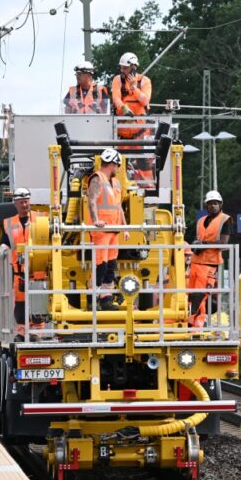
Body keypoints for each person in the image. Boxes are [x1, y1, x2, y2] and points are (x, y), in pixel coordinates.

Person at [86, 148, 129, 311]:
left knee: (111, 266)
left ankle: (106, 299)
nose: (119, 169)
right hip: (101, 231)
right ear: (112, 164)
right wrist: (96, 220)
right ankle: (93, 299)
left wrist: (124, 228)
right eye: (118, 166)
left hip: (114, 230)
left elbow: (119, 207)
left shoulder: (116, 183)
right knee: (101, 266)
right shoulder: (97, 179)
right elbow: (92, 200)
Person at [0, 188, 43, 340]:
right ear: (15, 204)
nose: (24, 205)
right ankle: (22, 332)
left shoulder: (40, 218)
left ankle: (36, 332)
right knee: (20, 305)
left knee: (38, 303)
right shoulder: (9, 223)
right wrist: (3, 248)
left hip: (38, 271)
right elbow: (5, 241)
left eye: (26, 201)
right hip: (19, 272)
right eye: (21, 202)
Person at [111, 52, 154, 186]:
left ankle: (148, 188)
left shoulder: (145, 81)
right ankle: (117, 187)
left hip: (140, 132)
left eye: (125, 68)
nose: (122, 70)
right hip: (121, 132)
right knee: (118, 162)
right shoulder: (117, 80)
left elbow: (145, 100)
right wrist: (123, 107)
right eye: (122, 68)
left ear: (134, 67)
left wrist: (134, 87)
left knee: (144, 162)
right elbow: (116, 97)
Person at [188, 191, 231, 327]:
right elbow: (201, 238)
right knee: (191, 294)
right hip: (196, 261)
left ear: (220, 204)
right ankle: (195, 322)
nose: (213, 206)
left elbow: (223, 244)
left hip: (210, 264)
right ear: (206, 205)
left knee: (200, 295)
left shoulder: (225, 220)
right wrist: (196, 244)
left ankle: (193, 321)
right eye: (210, 204)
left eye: (215, 203)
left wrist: (204, 245)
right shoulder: (201, 221)